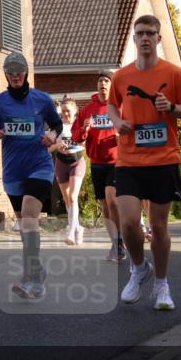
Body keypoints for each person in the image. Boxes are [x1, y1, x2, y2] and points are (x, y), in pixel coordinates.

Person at [108, 15, 181, 311]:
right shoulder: (121, 76)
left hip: (163, 159)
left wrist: (170, 107)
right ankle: (138, 268)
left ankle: (162, 285)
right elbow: (111, 103)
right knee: (129, 222)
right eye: (140, 33)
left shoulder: (173, 73)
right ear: (134, 39)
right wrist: (118, 121)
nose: (145, 38)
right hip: (129, 159)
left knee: (159, 226)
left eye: (150, 33)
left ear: (158, 39)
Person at [0, 52, 61, 298]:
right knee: (24, 225)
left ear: (26, 72)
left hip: (40, 166)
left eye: (19, 70)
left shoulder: (42, 99)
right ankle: (37, 269)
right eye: (10, 71)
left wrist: (53, 136)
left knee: (29, 215)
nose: (15, 75)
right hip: (13, 171)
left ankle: (31, 278)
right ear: (6, 74)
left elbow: (57, 124)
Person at [74, 71, 125, 261]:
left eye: (106, 81)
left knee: (112, 200)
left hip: (116, 161)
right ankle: (115, 244)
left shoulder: (120, 107)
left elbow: (132, 128)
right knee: (105, 205)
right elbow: (76, 137)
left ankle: (120, 241)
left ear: (112, 86)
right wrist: (83, 129)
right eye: (100, 81)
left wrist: (123, 137)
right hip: (97, 162)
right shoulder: (88, 110)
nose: (102, 84)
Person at [51, 97, 87, 245]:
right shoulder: (58, 127)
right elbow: (48, 147)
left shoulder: (79, 125)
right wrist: (57, 145)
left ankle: (71, 232)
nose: (66, 114)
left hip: (77, 162)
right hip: (61, 163)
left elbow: (85, 141)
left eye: (68, 111)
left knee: (72, 196)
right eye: (63, 111)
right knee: (67, 199)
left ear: (75, 112)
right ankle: (78, 227)